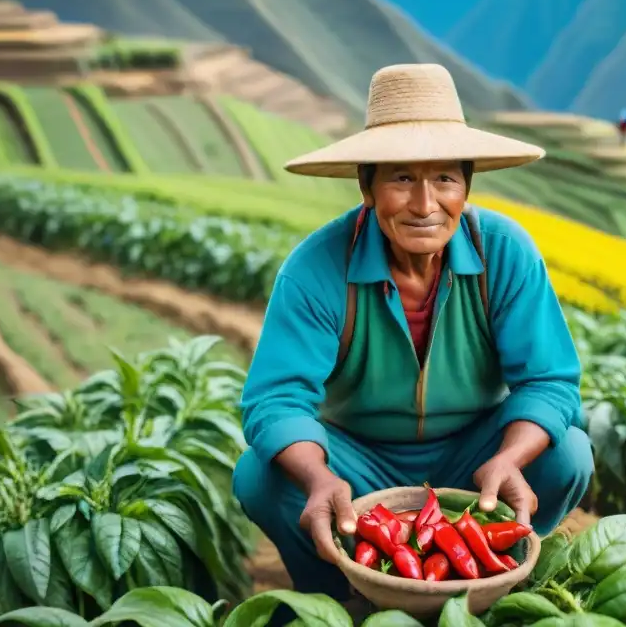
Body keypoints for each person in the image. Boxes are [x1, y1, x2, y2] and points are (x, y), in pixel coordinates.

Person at [232, 63, 594, 606]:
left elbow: (549, 382)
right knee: (262, 477)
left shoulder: (505, 253)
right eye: (401, 178)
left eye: (445, 178)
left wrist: (508, 458)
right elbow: (276, 399)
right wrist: (320, 478)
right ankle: (339, 598)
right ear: (367, 187)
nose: (426, 205)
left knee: (567, 453)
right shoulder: (316, 269)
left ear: (466, 184)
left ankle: (500, 586)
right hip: (358, 458)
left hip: (476, 448)